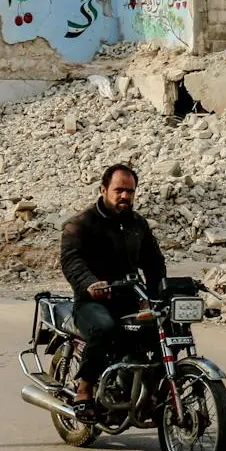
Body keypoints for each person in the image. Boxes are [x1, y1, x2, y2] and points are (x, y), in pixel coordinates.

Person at [59, 163, 165, 423]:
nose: (125, 196)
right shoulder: (81, 224)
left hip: (128, 298)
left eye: (130, 191)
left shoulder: (137, 224)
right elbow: (72, 261)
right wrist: (90, 283)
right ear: (103, 189)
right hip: (91, 302)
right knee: (105, 328)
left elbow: (153, 263)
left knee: (165, 327)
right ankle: (84, 390)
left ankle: (151, 392)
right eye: (119, 190)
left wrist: (161, 292)